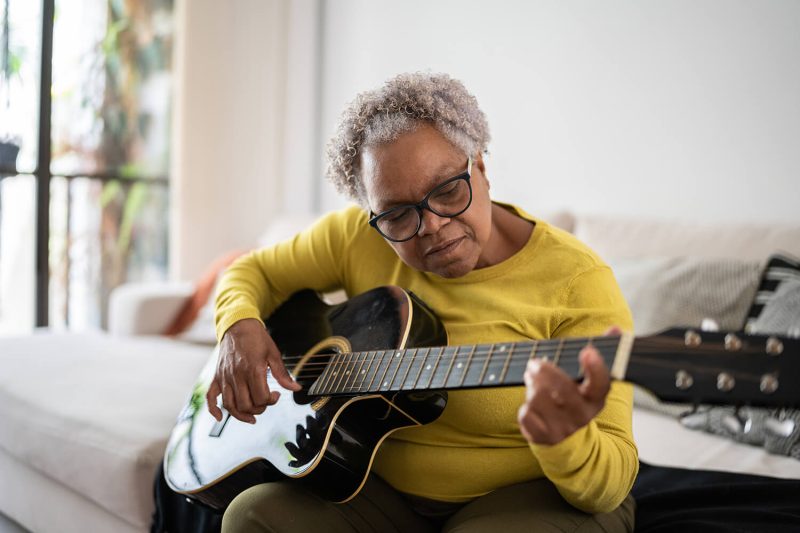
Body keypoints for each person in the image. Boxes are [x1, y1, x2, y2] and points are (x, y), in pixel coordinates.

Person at [208, 72, 638, 532]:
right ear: (373, 215)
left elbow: (609, 486)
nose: (430, 225)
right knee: (251, 516)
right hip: (378, 492)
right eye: (396, 214)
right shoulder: (359, 238)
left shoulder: (577, 281)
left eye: (448, 190)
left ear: (481, 168)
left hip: (525, 496)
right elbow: (253, 271)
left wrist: (567, 439)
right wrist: (238, 328)